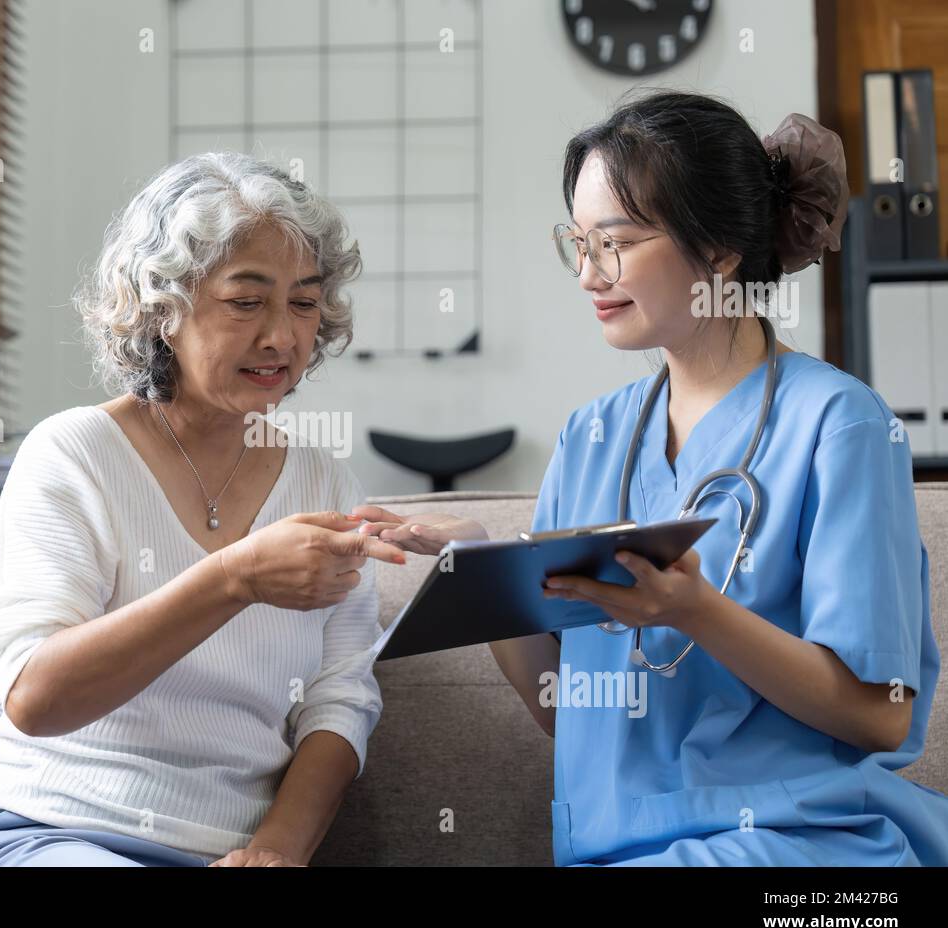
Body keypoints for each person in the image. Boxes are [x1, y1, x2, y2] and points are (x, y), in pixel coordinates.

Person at [355, 91, 948, 865]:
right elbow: (573, 713)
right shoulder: (592, 436)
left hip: (800, 848)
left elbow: (882, 718)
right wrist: (477, 567)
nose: (587, 276)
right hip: (618, 851)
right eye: (577, 243)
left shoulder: (840, 426)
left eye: (617, 244)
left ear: (720, 251)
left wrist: (697, 610)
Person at [0, 152, 403, 868]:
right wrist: (234, 579)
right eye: (246, 301)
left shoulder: (323, 483)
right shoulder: (74, 454)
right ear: (162, 309)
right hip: (56, 837)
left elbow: (338, 702)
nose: (281, 336)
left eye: (304, 302)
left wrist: (277, 852)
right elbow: (36, 698)